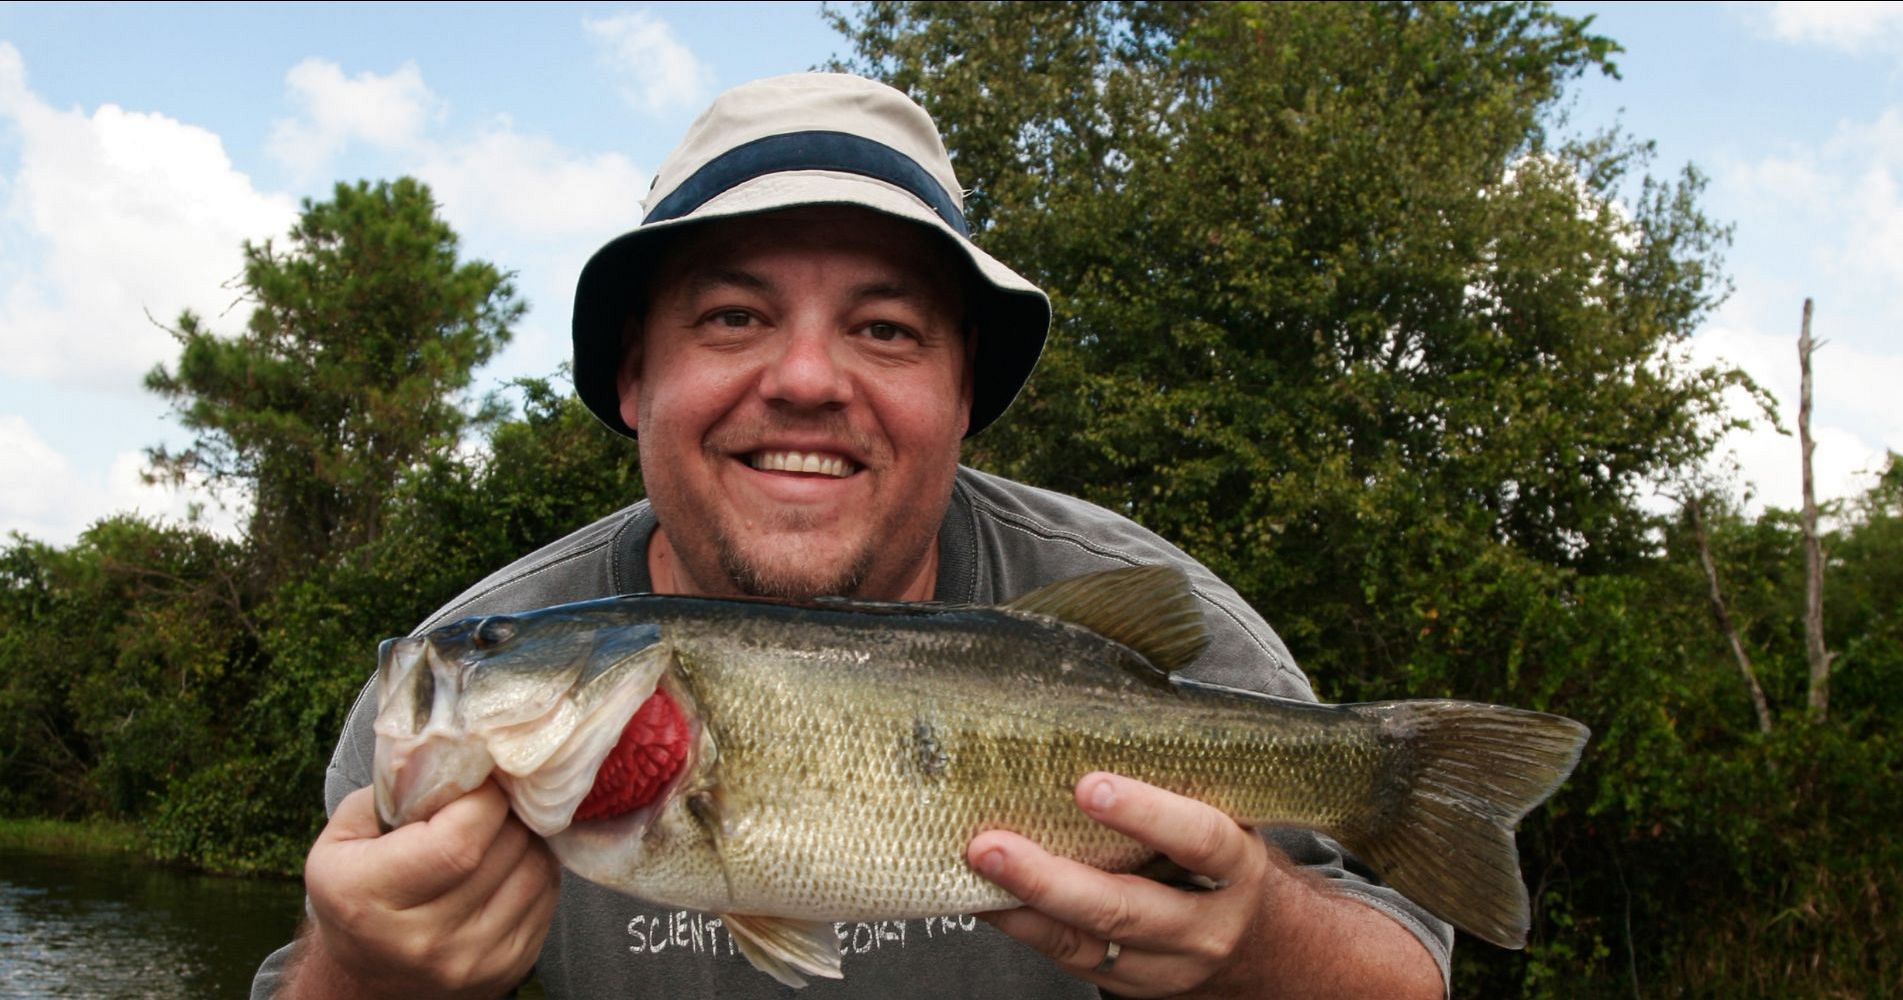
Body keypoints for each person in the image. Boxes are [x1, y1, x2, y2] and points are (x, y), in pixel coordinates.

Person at [253, 72, 1451, 999]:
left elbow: (1406, 976)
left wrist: (1259, 943)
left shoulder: (1135, 597)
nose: (806, 378)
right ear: (633, 375)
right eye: (733, 315)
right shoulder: (452, 678)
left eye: (882, 329)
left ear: (963, 392)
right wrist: (363, 975)